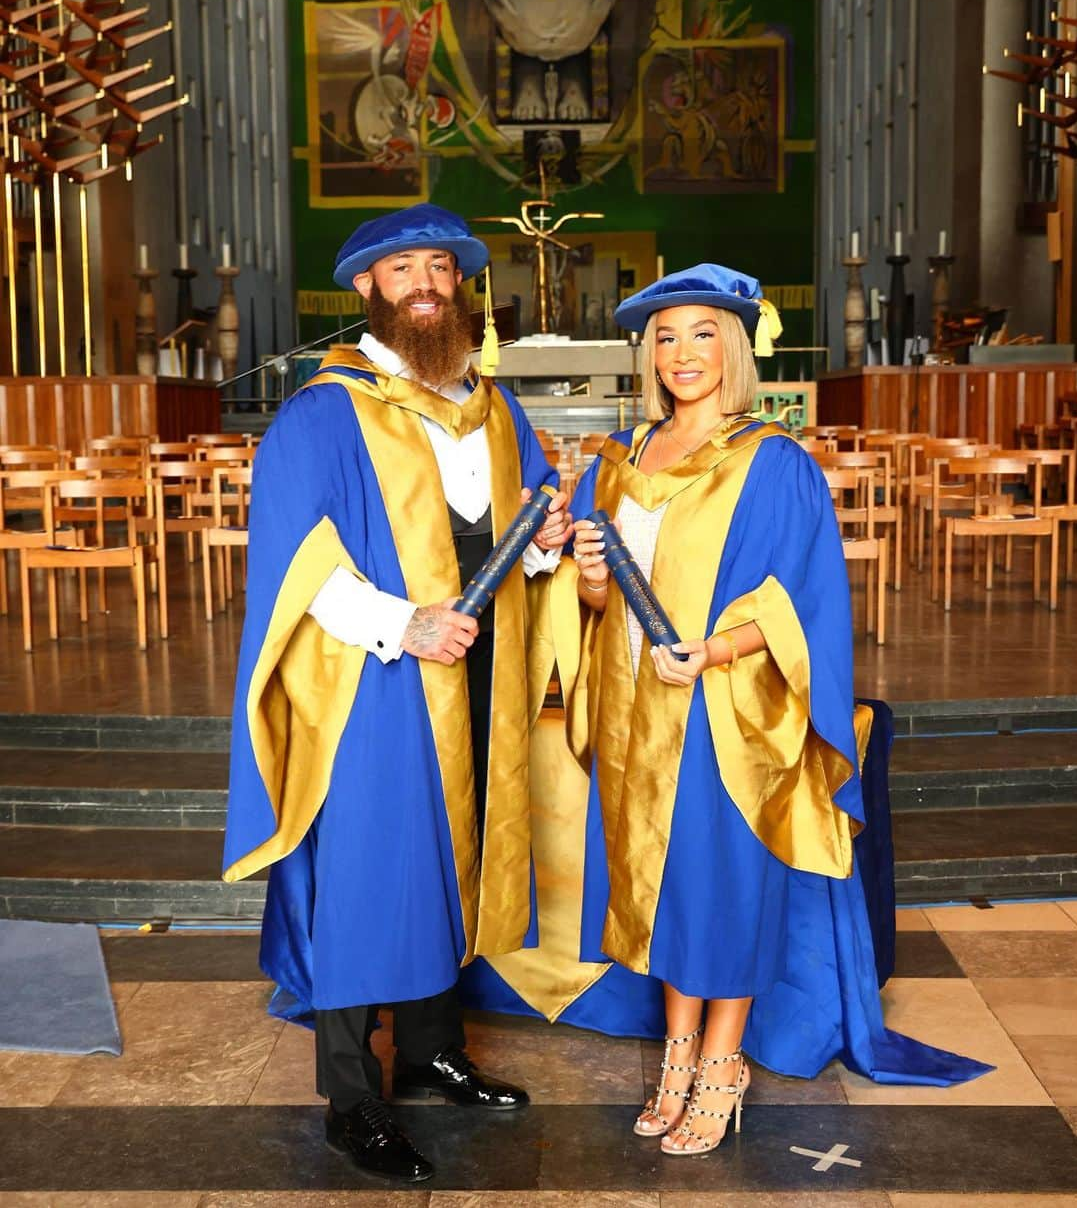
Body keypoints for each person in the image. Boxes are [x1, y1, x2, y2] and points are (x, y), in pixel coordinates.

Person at [562, 264, 989, 1156]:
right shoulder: (619, 457)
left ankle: (724, 1061)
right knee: (663, 884)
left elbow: (799, 601)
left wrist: (716, 651)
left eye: (703, 334)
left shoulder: (773, 461)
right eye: (667, 337)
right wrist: (593, 583)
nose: (683, 354)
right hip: (638, 713)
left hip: (723, 711)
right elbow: (597, 604)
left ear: (736, 347)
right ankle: (677, 1049)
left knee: (721, 887)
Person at [222, 202, 572, 1183]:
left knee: (448, 859)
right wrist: (399, 624)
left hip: (481, 676)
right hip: (376, 684)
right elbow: (299, 564)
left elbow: (522, 540)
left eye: (440, 264)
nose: (424, 279)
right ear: (368, 287)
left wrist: (545, 549)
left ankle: (429, 1054)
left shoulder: (495, 410)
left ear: (458, 284)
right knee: (370, 878)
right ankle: (351, 1097)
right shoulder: (325, 412)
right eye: (400, 267)